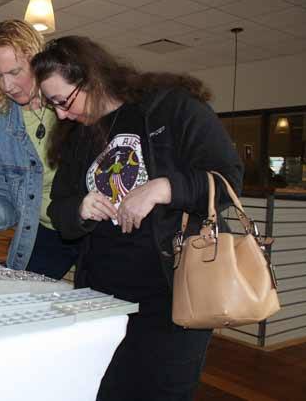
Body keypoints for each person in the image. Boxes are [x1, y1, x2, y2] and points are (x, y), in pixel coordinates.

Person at [31, 36, 244, 401]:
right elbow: (59, 210)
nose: (62, 114)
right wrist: (80, 208)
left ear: (92, 78)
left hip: (174, 299)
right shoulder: (77, 135)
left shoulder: (171, 108)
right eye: (52, 106)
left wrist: (163, 188)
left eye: (63, 101)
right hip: (101, 300)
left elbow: (227, 180)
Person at [0, 20, 78, 280]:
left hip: (92, 233)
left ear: (37, 61)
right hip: (41, 235)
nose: (7, 85)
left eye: (14, 71)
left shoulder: (75, 106)